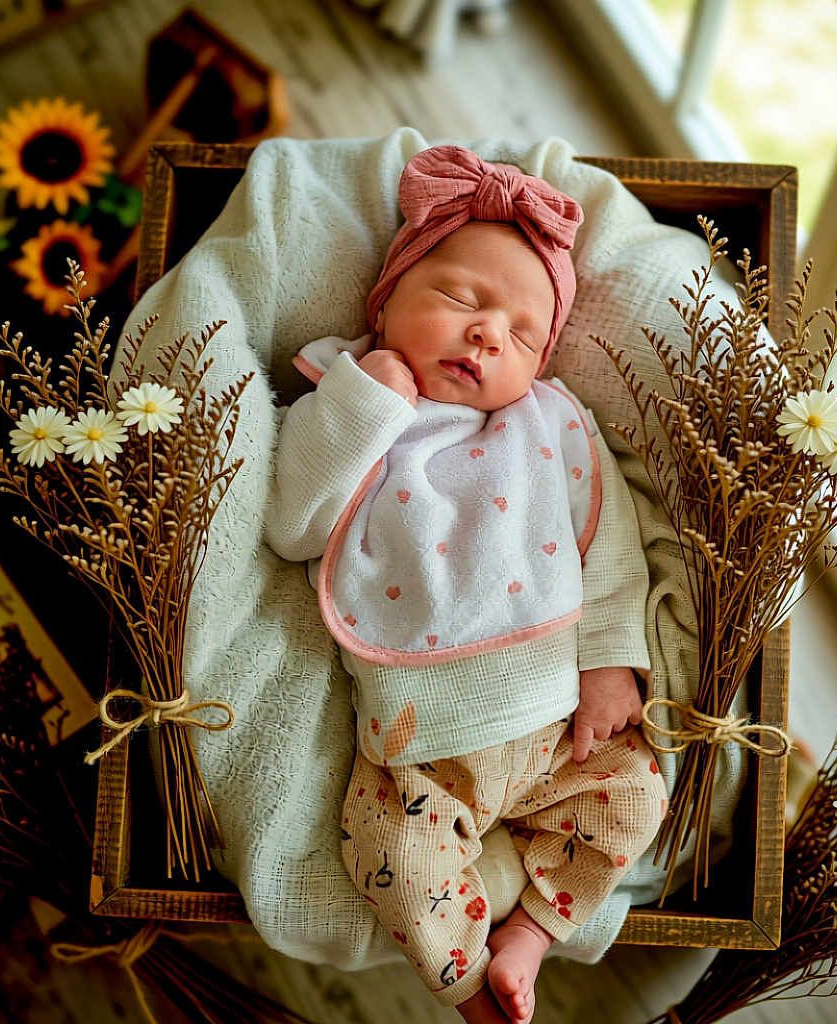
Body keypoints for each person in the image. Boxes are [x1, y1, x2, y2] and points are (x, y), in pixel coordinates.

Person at [264, 145, 667, 1024]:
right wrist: (366, 402)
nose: (489, 334)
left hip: (560, 722)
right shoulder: (355, 402)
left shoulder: (548, 425)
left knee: (640, 795)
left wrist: (608, 664)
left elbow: (609, 550)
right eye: (459, 299)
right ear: (385, 300)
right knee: (382, 849)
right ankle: (465, 982)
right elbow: (294, 525)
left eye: (523, 335)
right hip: (420, 740)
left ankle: (530, 934)